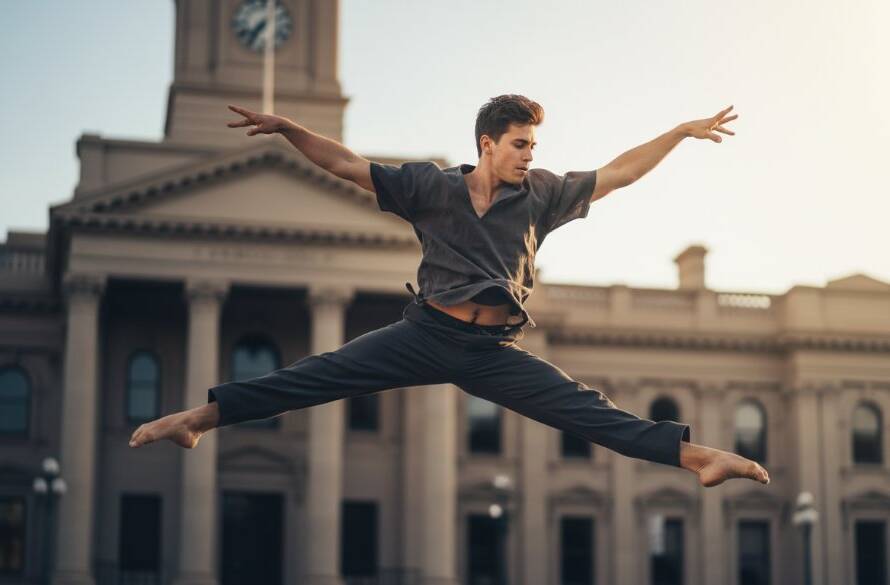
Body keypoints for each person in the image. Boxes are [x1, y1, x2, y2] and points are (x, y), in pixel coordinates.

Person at [130, 95, 769, 488]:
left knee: (586, 410)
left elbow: (620, 173)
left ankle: (697, 458)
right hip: (424, 334)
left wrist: (679, 134)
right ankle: (198, 419)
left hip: (489, 349)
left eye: (534, 145)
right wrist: (290, 128)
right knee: (315, 376)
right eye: (520, 144)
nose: (529, 154)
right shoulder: (430, 189)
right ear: (487, 144)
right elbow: (346, 166)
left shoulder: (541, 193)